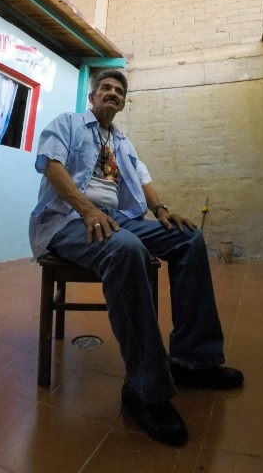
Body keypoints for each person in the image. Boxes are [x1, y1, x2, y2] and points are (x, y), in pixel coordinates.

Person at [29, 69, 243, 446]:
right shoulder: (67, 124)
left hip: (118, 219)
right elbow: (51, 164)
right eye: (105, 88)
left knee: (189, 238)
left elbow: (142, 179)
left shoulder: (123, 142)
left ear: (123, 102)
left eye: (119, 90)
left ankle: (193, 361)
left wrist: (161, 211)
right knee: (127, 249)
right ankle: (144, 387)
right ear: (92, 97)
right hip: (68, 221)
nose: (112, 93)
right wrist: (87, 210)